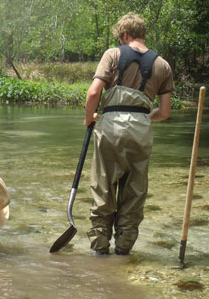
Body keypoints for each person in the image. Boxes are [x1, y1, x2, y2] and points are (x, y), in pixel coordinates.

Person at [84, 13, 175, 255]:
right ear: (141, 33)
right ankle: (123, 250)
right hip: (141, 129)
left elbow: (94, 93)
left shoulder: (113, 54)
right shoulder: (162, 65)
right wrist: (144, 118)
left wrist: (89, 118)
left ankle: (100, 249)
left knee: (103, 184)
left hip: (111, 124)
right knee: (135, 189)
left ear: (124, 35)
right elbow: (164, 112)